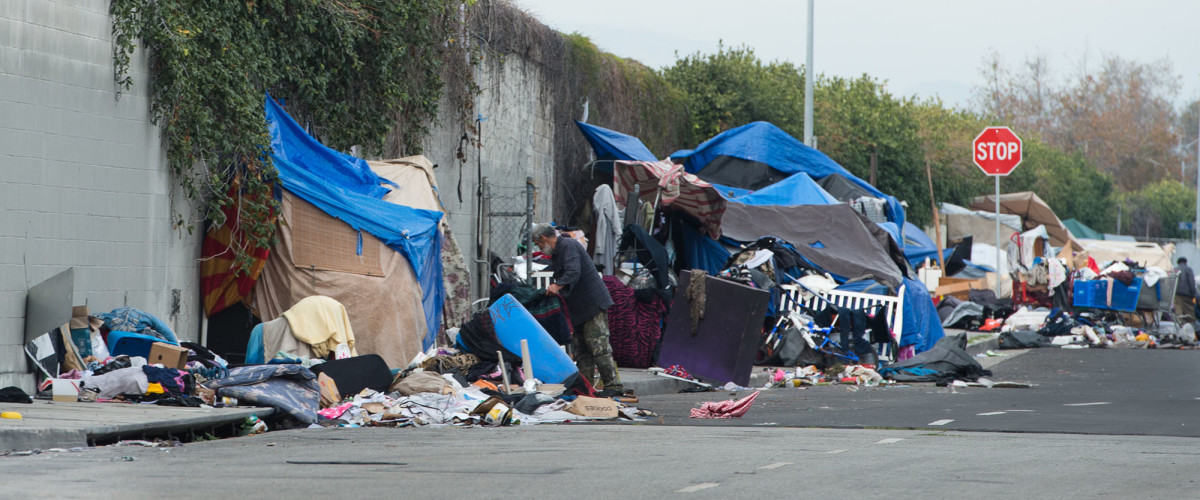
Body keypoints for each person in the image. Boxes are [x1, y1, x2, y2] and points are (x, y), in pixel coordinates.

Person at [531, 223, 624, 396]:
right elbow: (559, 270)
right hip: (580, 308)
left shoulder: (568, 245)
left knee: (599, 347)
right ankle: (585, 386)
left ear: (543, 238)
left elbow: (573, 271)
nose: (540, 249)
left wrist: (557, 286)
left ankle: (614, 386)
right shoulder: (561, 250)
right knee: (582, 350)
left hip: (592, 304)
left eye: (538, 244)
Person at [1174, 257, 1197, 324]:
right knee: (1190, 313)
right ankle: (1193, 328)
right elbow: (1191, 282)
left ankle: (1179, 328)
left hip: (1177, 295)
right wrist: (1194, 294)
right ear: (1185, 262)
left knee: (1178, 313)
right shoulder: (1188, 269)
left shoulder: (1175, 270)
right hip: (1187, 296)